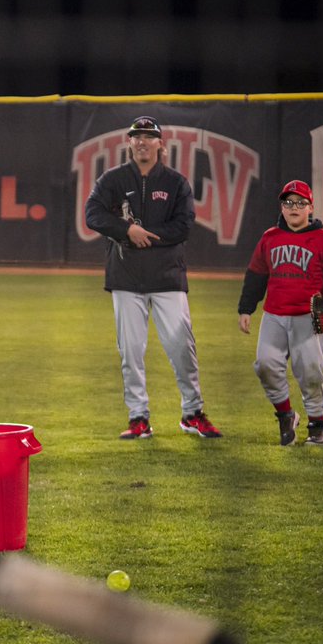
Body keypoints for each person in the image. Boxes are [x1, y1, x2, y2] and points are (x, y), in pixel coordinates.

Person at [83, 115, 222, 440]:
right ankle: (138, 417)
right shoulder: (113, 179)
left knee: (181, 348)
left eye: (149, 135)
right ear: (129, 142)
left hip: (167, 277)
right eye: (137, 136)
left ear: (161, 143)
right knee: (130, 352)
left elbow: (184, 225)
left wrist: (146, 234)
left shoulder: (176, 182)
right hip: (125, 277)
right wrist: (126, 230)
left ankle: (192, 412)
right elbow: (92, 214)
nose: (142, 141)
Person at [237, 180, 323, 446]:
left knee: (310, 371)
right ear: (282, 207)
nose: (294, 208)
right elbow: (256, 275)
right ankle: (286, 415)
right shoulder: (270, 237)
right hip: (274, 315)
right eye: (289, 202)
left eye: (300, 203)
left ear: (310, 207)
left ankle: (317, 424)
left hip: (308, 318)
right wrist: (246, 308)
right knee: (265, 365)